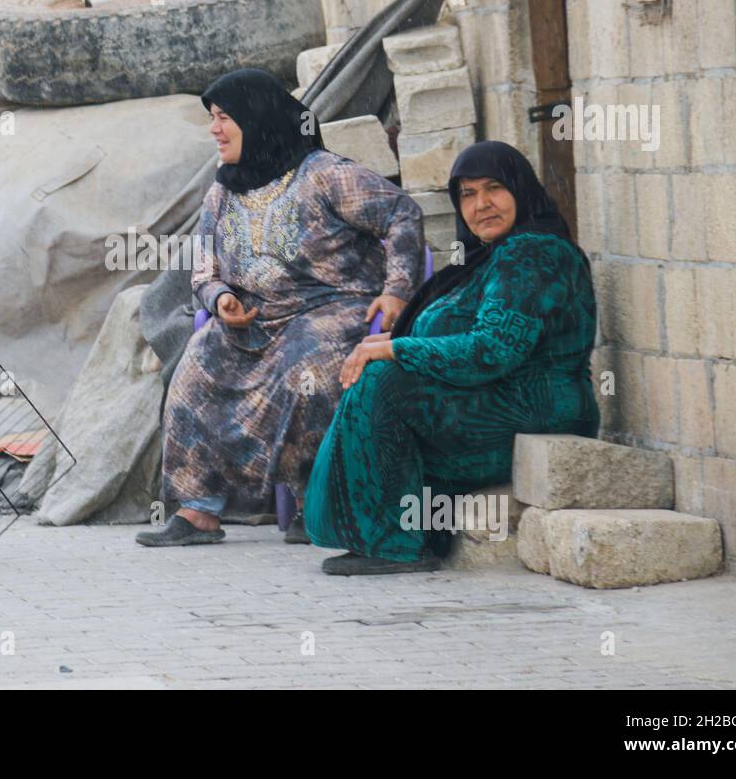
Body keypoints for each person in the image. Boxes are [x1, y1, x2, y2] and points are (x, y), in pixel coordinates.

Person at [136, 67, 424, 548]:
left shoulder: (325, 174)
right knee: (196, 366)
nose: (214, 129)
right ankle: (197, 510)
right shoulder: (222, 192)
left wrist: (396, 288)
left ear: (258, 118)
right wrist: (220, 298)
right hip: (256, 318)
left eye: (224, 116)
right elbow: (203, 268)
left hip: (333, 308)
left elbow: (401, 213)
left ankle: (317, 501)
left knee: (303, 370)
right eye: (212, 117)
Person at [304, 140, 600, 575]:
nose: (481, 205)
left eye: (494, 189)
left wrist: (394, 347)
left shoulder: (535, 253)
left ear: (521, 190)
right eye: (467, 194)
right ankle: (406, 531)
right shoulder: (489, 259)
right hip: (496, 402)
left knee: (385, 385)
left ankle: (396, 543)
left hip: (536, 410)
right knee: (379, 379)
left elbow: (491, 350)